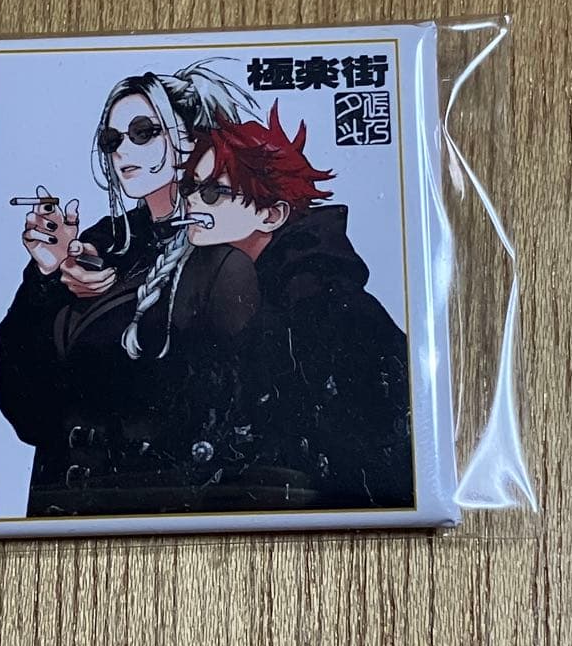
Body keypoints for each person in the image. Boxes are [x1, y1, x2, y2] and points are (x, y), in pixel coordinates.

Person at [0, 61, 259, 516]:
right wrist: (44, 277)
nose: (122, 151)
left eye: (143, 132)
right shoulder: (99, 242)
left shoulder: (227, 247)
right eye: (112, 140)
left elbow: (232, 412)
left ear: (191, 138)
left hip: (164, 507)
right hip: (61, 505)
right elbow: (24, 408)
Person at [175, 102, 415, 510]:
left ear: (271, 215)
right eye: (189, 188)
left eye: (213, 192)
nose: (193, 202)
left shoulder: (324, 304)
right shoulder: (223, 285)